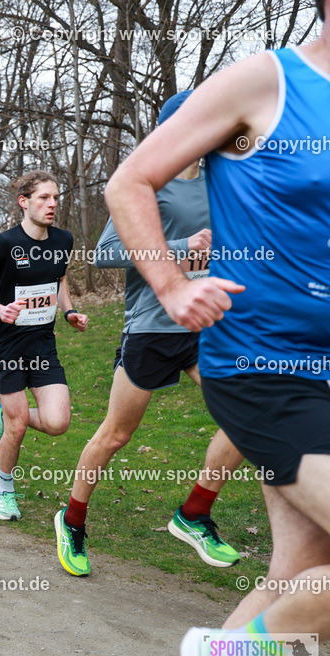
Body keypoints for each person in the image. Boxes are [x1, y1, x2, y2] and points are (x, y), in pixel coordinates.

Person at [103, 4, 330, 656]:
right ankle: (221, 655)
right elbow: (129, 182)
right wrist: (172, 285)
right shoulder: (266, 82)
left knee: (301, 580)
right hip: (265, 367)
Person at [53, 92, 245, 578]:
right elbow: (106, 253)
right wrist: (180, 245)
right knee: (116, 434)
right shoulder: (148, 181)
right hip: (153, 327)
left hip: (208, 325)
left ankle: (194, 512)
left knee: (248, 417)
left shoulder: (221, 182)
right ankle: (72, 519)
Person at [0, 170, 88, 522]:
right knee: (17, 426)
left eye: (56, 198)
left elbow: (59, 279)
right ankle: (5, 492)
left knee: (58, 422)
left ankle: (2, 413)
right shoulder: (4, 244)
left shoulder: (63, 240)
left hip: (43, 343)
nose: (52, 205)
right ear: (24, 202)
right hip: (8, 345)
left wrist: (70, 312)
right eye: (44, 198)